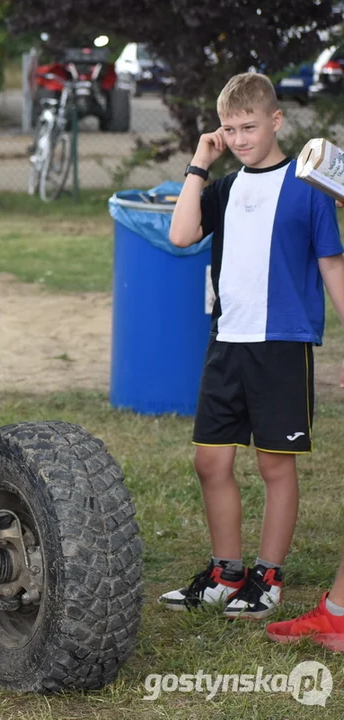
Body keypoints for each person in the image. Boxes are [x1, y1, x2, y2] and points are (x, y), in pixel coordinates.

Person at [159, 72, 344, 619]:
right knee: (210, 462)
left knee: (274, 467)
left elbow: (332, 266)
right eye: (230, 129)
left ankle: (267, 578)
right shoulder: (226, 186)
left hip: (282, 346)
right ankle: (226, 571)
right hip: (228, 342)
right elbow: (181, 236)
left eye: (250, 127)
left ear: (276, 120)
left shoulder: (309, 188)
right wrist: (200, 162)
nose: (240, 138)